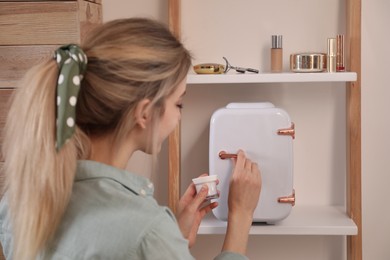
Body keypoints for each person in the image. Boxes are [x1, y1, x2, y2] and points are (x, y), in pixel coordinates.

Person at [0, 18, 261, 259]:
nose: (179, 117)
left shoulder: (17, 202)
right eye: (178, 104)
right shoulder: (147, 232)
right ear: (145, 113)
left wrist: (172, 240)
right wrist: (240, 215)